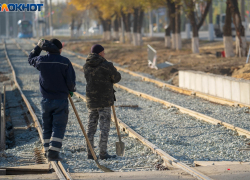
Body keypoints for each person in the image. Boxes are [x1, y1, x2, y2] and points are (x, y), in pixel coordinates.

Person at [28, 39, 76, 161]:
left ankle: (46, 150)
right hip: (60, 100)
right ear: (60, 49)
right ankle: (53, 153)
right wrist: (71, 89)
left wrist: (38, 47)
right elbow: (71, 81)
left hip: (46, 100)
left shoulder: (41, 60)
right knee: (58, 126)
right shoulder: (65, 62)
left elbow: (30, 58)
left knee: (47, 126)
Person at [83, 44, 121, 160]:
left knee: (91, 127)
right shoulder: (107, 65)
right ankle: (103, 153)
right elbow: (117, 78)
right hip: (104, 101)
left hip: (91, 101)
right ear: (100, 53)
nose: (104, 54)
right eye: (103, 52)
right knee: (104, 128)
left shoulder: (86, 65)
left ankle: (90, 153)